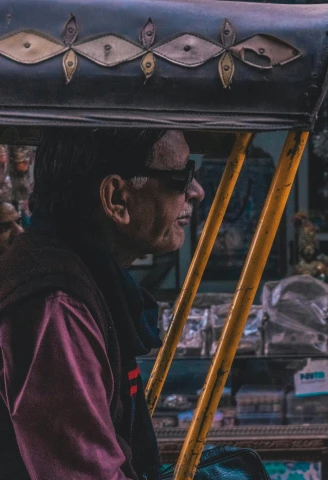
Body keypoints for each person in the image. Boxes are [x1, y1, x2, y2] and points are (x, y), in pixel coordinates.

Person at [0, 129, 204, 479]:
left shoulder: (77, 275)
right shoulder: (55, 305)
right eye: (179, 178)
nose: (196, 192)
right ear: (116, 199)